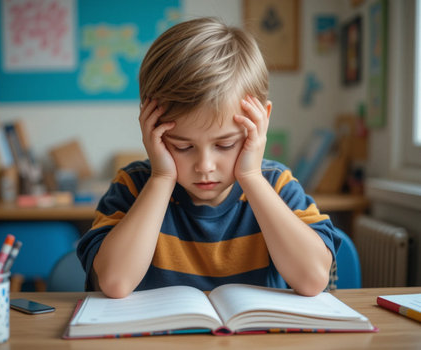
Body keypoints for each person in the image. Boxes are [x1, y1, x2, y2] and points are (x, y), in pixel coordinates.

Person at [77, 17, 341, 299]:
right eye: (182, 147)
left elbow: (313, 279)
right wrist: (162, 178)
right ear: (149, 128)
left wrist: (251, 177)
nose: (205, 166)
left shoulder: (277, 185)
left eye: (225, 144)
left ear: (261, 121)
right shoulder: (133, 186)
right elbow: (115, 282)